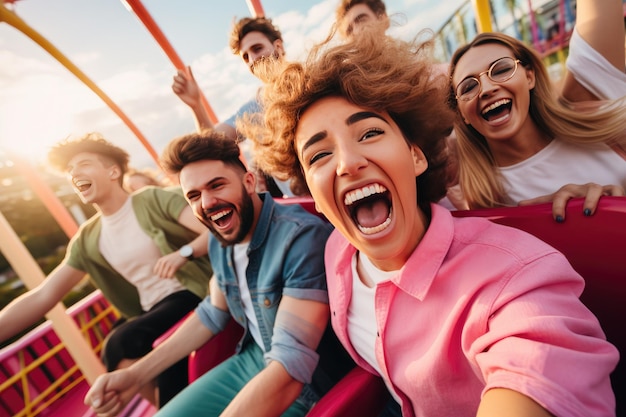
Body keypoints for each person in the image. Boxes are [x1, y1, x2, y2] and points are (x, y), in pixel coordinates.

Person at [241, 28, 619, 417]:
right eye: (319, 155)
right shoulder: (337, 251)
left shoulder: (514, 281)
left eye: (369, 132)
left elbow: (536, 361)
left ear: (416, 157)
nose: (347, 163)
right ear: (316, 198)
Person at [85, 131, 352, 417]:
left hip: (308, 385)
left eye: (217, 185)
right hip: (252, 358)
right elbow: (213, 312)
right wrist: (135, 375)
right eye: (194, 195)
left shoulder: (299, 239)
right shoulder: (221, 238)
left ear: (249, 182)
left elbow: (291, 365)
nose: (208, 202)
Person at [0, 133, 213, 408]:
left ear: (113, 171)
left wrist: (183, 254)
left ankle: (173, 405)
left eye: (84, 164)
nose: (74, 173)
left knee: (124, 341)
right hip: (152, 307)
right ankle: (165, 406)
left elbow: (211, 229)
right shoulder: (88, 237)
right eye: (69, 170)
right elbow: (44, 296)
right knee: (111, 350)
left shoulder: (151, 200)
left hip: (191, 291)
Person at [447, 0, 626, 219]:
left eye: (502, 69)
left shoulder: (587, 95)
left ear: (529, 76)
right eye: (469, 86)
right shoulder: (486, 201)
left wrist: (614, 207)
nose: (486, 89)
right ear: (461, 114)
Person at [171, 17, 296, 197]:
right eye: (246, 57)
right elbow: (212, 142)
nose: (253, 59)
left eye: (257, 48)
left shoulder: (314, 83)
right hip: (307, 209)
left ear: (279, 47)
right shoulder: (256, 107)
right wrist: (196, 105)